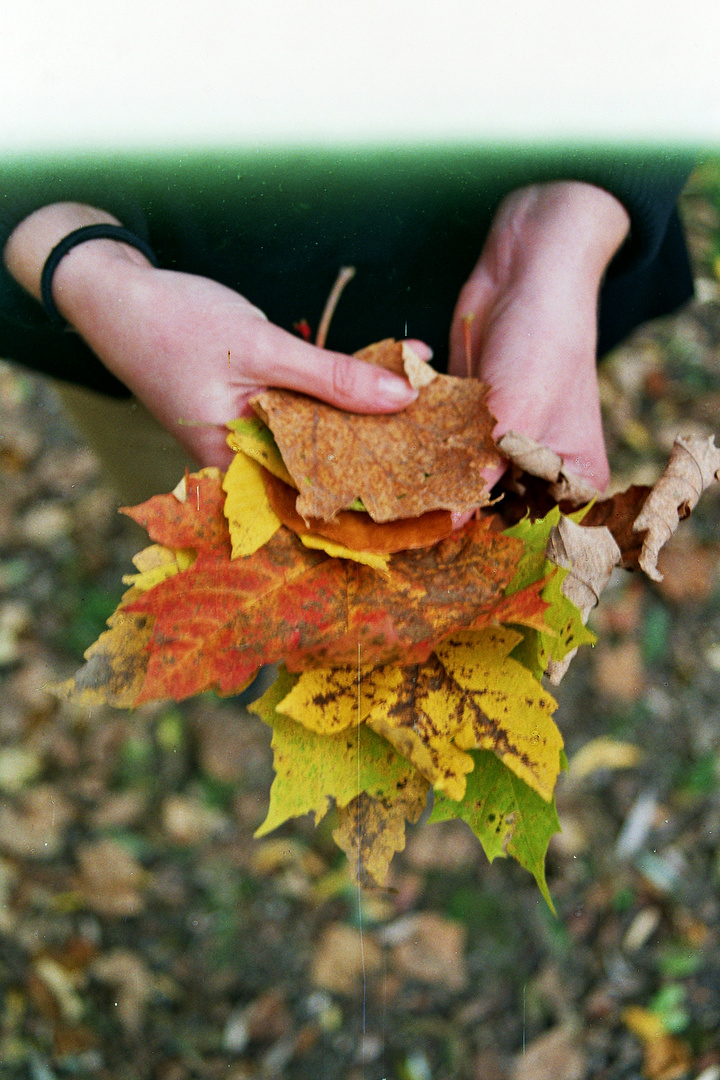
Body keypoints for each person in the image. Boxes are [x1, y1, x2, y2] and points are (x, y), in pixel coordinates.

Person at [0, 153, 695, 504]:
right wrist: (85, 264)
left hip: (498, 304)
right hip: (145, 346)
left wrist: (575, 211)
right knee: (198, 512)